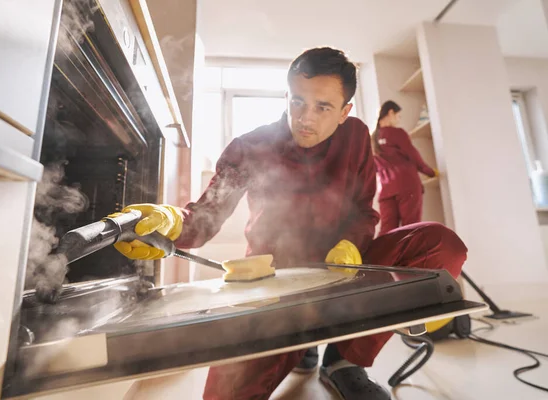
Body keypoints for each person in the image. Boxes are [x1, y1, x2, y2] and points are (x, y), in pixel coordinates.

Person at [113, 48, 467, 400]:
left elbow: (363, 212)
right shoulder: (251, 147)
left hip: (346, 270)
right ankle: (300, 344)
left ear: (346, 112)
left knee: (440, 243)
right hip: (277, 287)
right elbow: (203, 220)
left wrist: (350, 244)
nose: (304, 118)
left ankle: (343, 362)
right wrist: (170, 223)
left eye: (323, 107)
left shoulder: (357, 136)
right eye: (297, 101)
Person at [371, 101, 438, 235]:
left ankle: (381, 256)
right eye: (398, 116)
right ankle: (410, 256)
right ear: (390, 113)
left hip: (385, 190)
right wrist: (430, 172)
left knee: (387, 231)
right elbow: (413, 155)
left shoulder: (371, 139)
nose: (398, 120)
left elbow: (373, 168)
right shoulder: (397, 133)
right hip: (407, 185)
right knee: (410, 228)